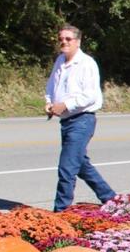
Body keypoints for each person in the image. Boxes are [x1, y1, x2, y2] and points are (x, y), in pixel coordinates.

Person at [45, 25, 117, 211]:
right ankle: (110, 198)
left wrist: (65, 105)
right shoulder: (60, 60)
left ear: (78, 42)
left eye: (68, 39)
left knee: (67, 168)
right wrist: (49, 102)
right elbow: (51, 86)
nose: (64, 42)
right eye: (61, 38)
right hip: (66, 121)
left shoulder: (86, 63)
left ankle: (61, 212)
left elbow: (90, 96)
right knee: (80, 164)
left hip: (82, 120)